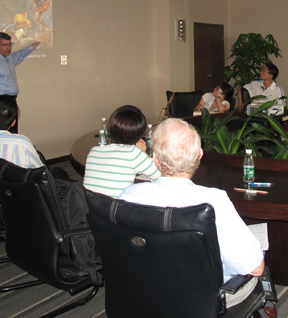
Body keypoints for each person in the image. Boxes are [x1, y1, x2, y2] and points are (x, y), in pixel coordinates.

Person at [119, 118, 266, 309]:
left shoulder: (128, 195)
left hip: (144, 293)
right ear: (200, 155)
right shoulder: (213, 201)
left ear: (155, 159)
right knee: (259, 275)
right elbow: (255, 268)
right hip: (200, 300)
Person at [83, 105, 161, 199]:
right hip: (116, 207)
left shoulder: (94, 151)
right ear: (140, 133)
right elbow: (162, 175)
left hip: (89, 206)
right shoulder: (133, 153)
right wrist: (143, 152)